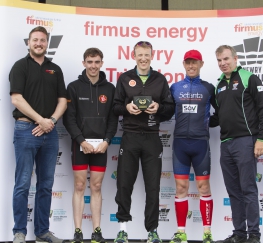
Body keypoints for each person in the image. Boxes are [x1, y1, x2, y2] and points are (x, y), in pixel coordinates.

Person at [112, 41, 175, 243]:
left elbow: (170, 108)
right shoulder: (125, 78)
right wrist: (126, 108)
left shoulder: (160, 79)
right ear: (134, 55)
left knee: (153, 186)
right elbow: (114, 107)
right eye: (139, 55)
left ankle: (152, 231)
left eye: (146, 54)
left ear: (152, 55)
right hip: (129, 137)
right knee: (124, 184)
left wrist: (158, 108)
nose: (143, 58)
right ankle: (122, 229)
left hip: (152, 137)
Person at [9, 26, 67, 243]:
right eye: (35, 40)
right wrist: (40, 120)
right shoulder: (20, 66)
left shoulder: (55, 69)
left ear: (47, 43)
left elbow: (63, 100)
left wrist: (50, 121)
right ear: (29, 43)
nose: (39, 43)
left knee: (46, 184)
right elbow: (16, 99)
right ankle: (19, 232)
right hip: (26, 130)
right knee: (23, 183)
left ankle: (42, 231)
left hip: (49, 133)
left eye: (43, 40)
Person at [213, 45, 263, 243]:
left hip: (246, 141)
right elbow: (218, 117)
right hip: (226, 143)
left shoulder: (248, 77)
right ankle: (239, 234)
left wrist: (261, 139)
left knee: (248, 189)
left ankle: (254, 234)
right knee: (234, 191)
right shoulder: (219, 84)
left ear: (235, 58)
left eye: (226, 59)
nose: (223, 63)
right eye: (219, 60)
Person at [63, 48, 118, 243]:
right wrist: (81, 141)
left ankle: (97, 231)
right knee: (79, 185)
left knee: (96, 186)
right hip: (80, 145)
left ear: (102, 63)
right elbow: (69, 119)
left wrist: (107, 141)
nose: (93, 66)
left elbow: (113, 119)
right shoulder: (74, 87)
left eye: (96, 62)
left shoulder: (110, 88)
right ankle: (78, 231)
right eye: (89, 62)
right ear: (84, 63)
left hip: (101, 147)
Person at [169, 50, 216, 243]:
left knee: (203, 187)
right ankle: (181, 232)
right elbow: (165, 110)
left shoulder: (209, 88)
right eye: (188, 63)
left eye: (194, 63)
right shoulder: (175, 88)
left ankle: (207, 233)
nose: (191, 66)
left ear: (201, 64)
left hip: (200, 144)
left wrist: (208, 123)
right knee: (181, 187)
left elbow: (222, 112)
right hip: (180, 143)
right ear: (183, 64)